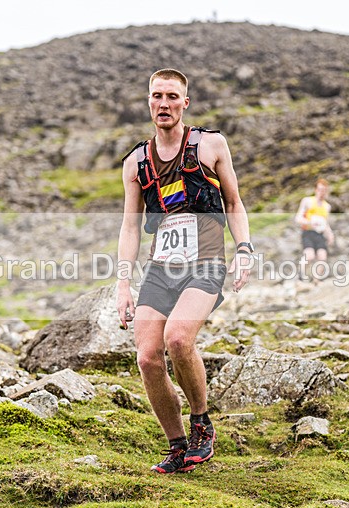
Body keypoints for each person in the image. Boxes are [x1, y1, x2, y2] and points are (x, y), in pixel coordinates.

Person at [116, 69, 254, 474]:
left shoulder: (211, 145)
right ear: (148, 102)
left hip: (206, 263)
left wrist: (244, 249)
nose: (164, 104)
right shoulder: (135, 163)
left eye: (172, 96)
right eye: (157, 96)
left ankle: (201, 424)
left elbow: (234, 202)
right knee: (147, 358)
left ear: (185, 102)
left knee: (178, 339)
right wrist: (123, 284)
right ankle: (177, 445)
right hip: (161, 269)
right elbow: (129, 226)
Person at [294, 178, 334, 282]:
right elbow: (298, 218)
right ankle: (301, 276)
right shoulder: (307, 201)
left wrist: (330, 234)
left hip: (320, 234)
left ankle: (316, 280)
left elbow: (326, 223)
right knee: (309, 256)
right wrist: (309, 222)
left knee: (322, 257)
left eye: (324, 190)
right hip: (308, 232)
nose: (322, 192)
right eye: (320, 189)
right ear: (315, 190)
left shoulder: (327, 206)